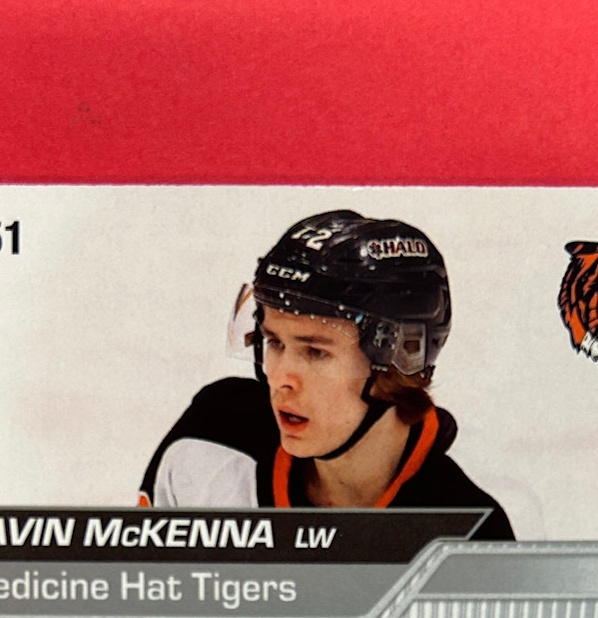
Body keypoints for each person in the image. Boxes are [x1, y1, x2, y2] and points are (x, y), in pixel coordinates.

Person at [139, 210, 513, 535]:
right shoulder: (211, 436)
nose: (281, 379)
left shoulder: (467, 531)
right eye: (274, 342)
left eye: (316, 352)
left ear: (397, 360)